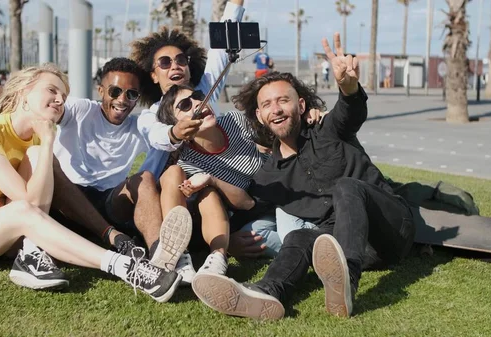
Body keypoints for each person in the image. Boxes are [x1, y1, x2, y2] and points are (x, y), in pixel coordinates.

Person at [191, 33, 415, 319]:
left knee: (347, 187)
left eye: (283, 100)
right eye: (267, 105)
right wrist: (228, 240)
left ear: (300, 106)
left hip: (391, 228)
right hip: (357, 247)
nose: (276, 109)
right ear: (260, 116)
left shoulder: (329, 130)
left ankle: (346, 281)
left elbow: (351, 111)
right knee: (299, 235)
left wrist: (348, 86)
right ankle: (267, 292)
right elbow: (247, 207)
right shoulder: (269, 174)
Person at [0, 56, 194, 277]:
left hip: (101, 204)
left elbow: (160, 135)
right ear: (101, 90)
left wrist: (175, 132)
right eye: (115, 90)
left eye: (131, 94)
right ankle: (115, 254)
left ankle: (161, 254)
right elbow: (12, 96)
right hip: (54, 203)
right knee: (44, 164)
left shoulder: (137, 124)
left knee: (142, 178)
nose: (123, 99)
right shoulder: (74, 111)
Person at [130, 0, 263, 279]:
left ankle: (215, 255)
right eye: (165, 63)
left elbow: (220, 53)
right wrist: (176, 133)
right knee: (173, 172)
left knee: (206, 187)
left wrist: (236, 5)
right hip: (161, 201)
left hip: (209, 196)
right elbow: (158, 136)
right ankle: (174, 253)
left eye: (181, 60)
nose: (174, 66)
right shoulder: (150, 116)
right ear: (153, 75)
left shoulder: (201, 97)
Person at [155, 84, 269, 280]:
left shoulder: (235, 121)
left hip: (270, 196)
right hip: (241, 214)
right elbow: (246, 203)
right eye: (185, 105)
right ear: (176, 125)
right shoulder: (188, 162)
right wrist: (212, 181)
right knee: (208, 193)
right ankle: (213, 259)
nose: (198, 103)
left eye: (198, 96)